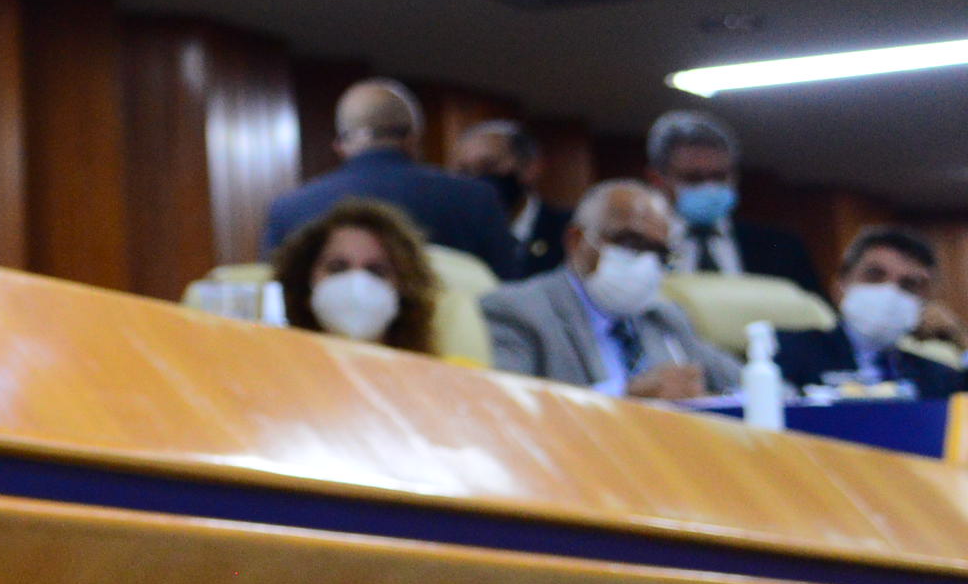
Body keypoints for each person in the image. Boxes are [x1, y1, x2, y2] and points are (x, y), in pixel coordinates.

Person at [480, 180, 740, 398]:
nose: (645, 262)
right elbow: (510, 407)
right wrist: (625, 396)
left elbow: (747, 386)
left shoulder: (663, 317)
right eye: (630, 242)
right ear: (576, 240)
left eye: (658, 252)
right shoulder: (516, 311)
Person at [259, 79, 521, 278]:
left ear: (340, 145)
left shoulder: (288, 210)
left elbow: (274, 307)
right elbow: (507, 293)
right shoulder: (476, 198)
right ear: (414, 138)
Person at [772, 226, 967, 397]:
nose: (890, 292)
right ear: (840, 286)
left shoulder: (936, 377)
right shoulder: (785, 350)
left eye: (908, 284)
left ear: (924, 302)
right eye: (875, 275)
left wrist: (961, 338)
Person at [645, 108, 824, 292]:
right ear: (657, 180)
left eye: (719, 176)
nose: (709, 187)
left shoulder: (782, 247)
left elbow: (814, 308)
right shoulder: (641, 251)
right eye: (694, 178)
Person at [269, 199, 441, 352]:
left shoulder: (443, 374)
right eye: (337, 268)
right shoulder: (269, 371)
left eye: (376, 271)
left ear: (405, 288)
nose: (356, 283)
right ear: (304, 281)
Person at [450, 119, 570, 277]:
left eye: (488, 166)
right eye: (464, 172)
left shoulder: (568, 231)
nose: (475, 181)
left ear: (529, 167)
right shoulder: (454, 242)